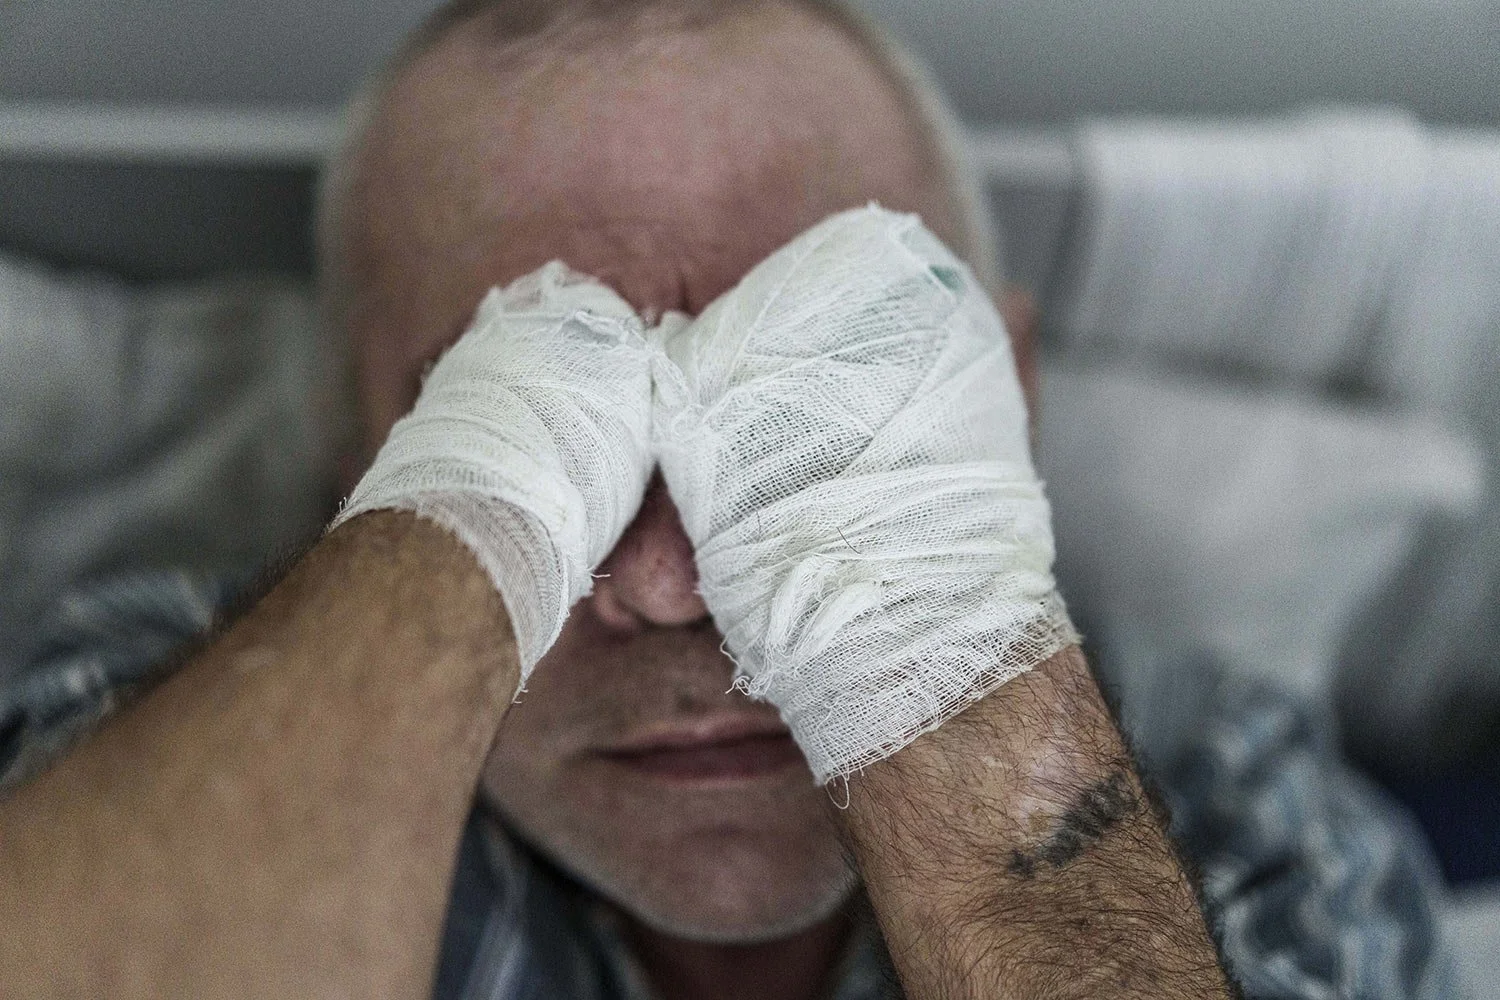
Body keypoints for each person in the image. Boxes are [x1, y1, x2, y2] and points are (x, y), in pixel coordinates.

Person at [0, 2, 1454, 998]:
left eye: (826, 399)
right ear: (354, 456)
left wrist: (919, 624)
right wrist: (489, 512)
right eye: (493, 408)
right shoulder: (148, 709)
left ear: (1004, 396)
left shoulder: (1223, 791)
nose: (666, 579)